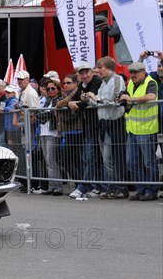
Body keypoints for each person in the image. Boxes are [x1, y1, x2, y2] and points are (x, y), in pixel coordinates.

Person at [84, 56, 128, 199]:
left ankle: (120, 188)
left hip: (115, 122)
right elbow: (98, 103)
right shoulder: (103, 84)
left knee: (115, 157)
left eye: (100, 67)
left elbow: (117, 100)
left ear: (108, 67)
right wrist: (89, 99)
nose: (97, 70)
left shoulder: (117, 79)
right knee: (106, 159)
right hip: (103, 123)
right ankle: (111, 187)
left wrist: (97, 99)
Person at [118, 61, 159, 201]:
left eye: (136, 72)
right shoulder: (130, 83)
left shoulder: (150, 82)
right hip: (133, 130)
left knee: (149, 162)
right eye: (131, 72)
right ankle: (141, 190)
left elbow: (151, 97)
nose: (133, 75)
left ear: (143, 72)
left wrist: (132, 99)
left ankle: (152, 191)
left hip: (147, 129)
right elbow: (127, 97)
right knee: (131, 162)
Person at [67, 63, 104, 199]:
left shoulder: (97, 81)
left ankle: (83, 187)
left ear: (91, 72)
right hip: (89, 127)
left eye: (86, 72)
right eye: (81, 73)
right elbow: (73, 101)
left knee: (92, 158)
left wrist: (76, 104)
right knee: (93, 158)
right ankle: (99, 186)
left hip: (99, 125)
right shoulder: (82, 85)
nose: (84, 76)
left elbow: (87, 101)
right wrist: (71, 103)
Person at [37, 80, 64, 195]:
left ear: (58, 89)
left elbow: (51, 115)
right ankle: (51, 186)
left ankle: (58, 187)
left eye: (53, 88)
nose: (50, 91)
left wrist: (45, 115)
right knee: (47, 161)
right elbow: (40, 115)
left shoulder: (59, 100)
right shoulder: (47, 101)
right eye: (48, 89)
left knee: (51, 160)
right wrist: (45, 115)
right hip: (43, 132)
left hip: (53, 133)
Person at [56, 74, 83, 183]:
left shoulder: (77, 92)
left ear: (75, 83)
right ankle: (79, 184)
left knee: (72, 160)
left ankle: (80, 184)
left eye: (69, 83)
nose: (66, 85)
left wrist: (67, 101)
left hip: (78, 130)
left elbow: (59, 104)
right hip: (69, 131)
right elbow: (59, 104)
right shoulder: (68, 94)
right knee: (70, 160)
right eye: (64, 83)